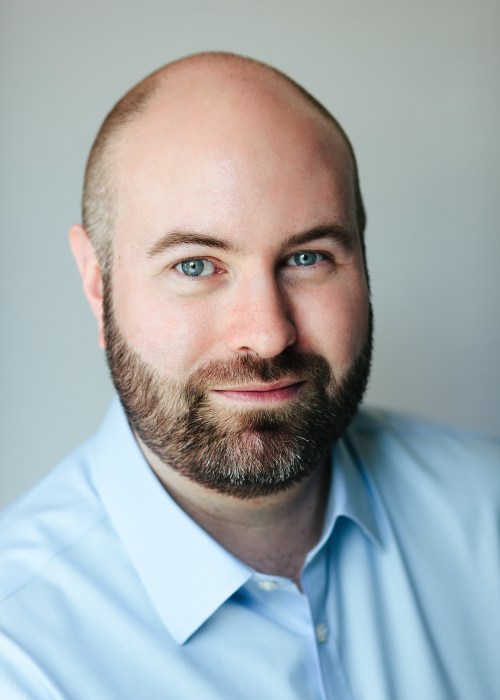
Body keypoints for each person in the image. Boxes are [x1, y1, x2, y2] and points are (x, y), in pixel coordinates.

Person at [0, 52, 499, 700]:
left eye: (308, 257)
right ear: (98, 287)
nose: (267, 334)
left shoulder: (487, 512)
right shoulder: (20, 656)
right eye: (195, 265)